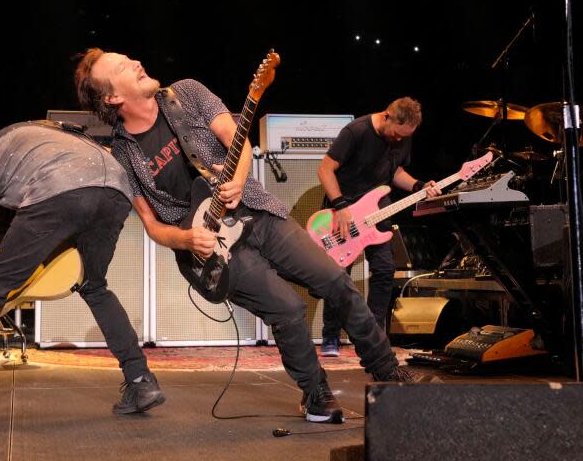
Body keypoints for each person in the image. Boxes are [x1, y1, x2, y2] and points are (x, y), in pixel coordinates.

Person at [74, 48, 428, 425]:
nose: (137, 62)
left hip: (259, 212)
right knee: (288, 310)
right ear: (112, 97)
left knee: (337, 282)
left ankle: (386, 367)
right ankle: (315, 393)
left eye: (131, 57)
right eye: (123, 66)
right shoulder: (123, 154)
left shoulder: (186, 94)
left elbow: (236, 140)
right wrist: (187, 240)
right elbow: (151, 223)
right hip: (214, 249)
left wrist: (239, 182)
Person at [0, 122, 164, 429]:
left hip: (60, 190)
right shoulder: (37, 136)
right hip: (116, 191)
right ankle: (142, 380)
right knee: (94, 285)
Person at [317, 98, 440, 357]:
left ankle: (374, 338)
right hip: (345, 209)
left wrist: (419, 186)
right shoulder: (356, 132)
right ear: (387, 116)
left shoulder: (403, 136)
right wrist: (340, 206)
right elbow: (325, 169)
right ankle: (330, 336)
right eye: (396, 134)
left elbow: (395, 173)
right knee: (338, 275)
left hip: (378, 209)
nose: (398, 140)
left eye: (404, 137)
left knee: (384, 271)